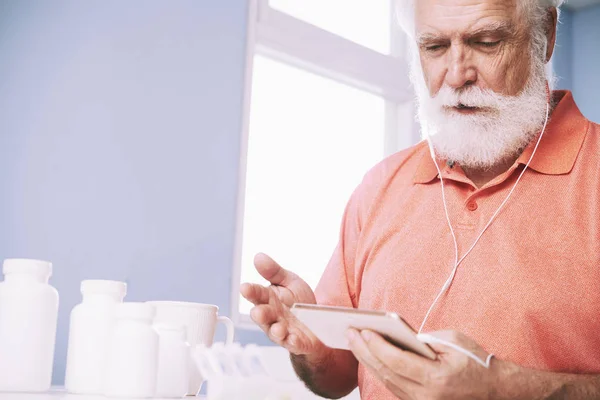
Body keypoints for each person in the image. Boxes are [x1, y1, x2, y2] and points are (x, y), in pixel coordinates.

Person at [241, 0, 600, 398]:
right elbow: (338, 376)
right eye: (434, 47)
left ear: (545, 34)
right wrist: (314, 349)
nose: (457, 74)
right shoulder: (380, 186)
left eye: (485, 41)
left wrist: (502, 389)